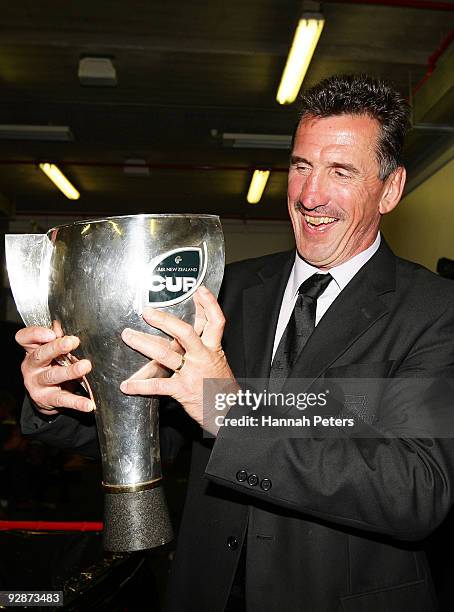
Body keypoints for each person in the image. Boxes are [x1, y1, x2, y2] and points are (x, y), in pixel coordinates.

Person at [18, 74, 454, 612]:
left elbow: (415, 490)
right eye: (301, 167)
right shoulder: (225, 288)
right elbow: (157, 431)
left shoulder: (435, 311)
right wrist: (59, 394)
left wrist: (231, 413)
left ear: (390, 189)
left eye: (340, 172)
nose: (310, 195)